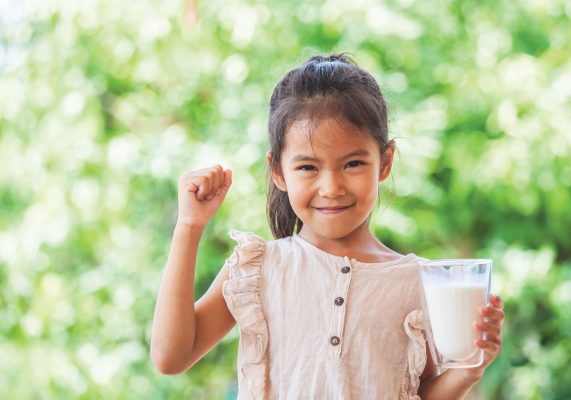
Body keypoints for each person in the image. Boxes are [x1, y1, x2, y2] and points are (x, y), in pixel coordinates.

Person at [150, 54, 505, 399]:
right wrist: (189, 227)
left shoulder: (418, 282)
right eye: (308, 167)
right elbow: (171, 357)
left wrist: (468, 369)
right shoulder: (257, 269)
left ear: (385, 161)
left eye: (353, 163)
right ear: (278, 172)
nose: (331, 187)